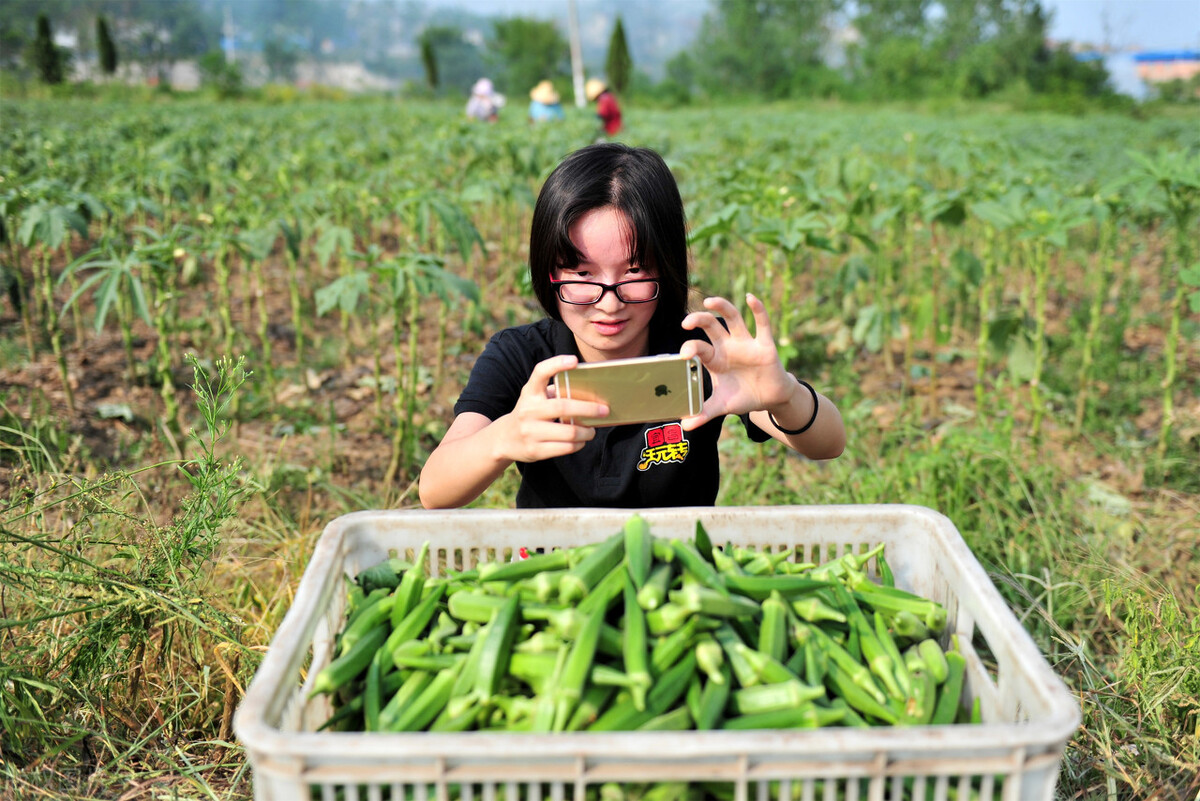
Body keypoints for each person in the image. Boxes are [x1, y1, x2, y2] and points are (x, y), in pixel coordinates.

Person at [418, 143, 844, 510]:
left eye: (635, 271)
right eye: (582, 274)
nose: (609, 303)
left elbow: (829, 443)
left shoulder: (703, 351)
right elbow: (434, 490)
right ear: (550, 271)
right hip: (550, 567)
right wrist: (503, 438)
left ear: (666, 267)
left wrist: (785, 395)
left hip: (679, 565)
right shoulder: (522, 356)